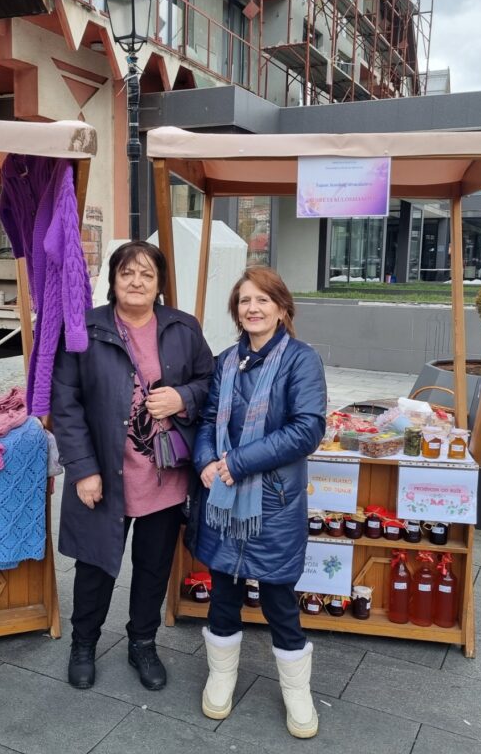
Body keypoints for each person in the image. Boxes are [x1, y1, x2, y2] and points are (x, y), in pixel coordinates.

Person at [52, 241, 213, 691]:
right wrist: (83, 469)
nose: (136, 282)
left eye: (146, 274)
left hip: (165, 476)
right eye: (127, 272)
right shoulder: (84, 330)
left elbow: (210, 382)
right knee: (94, 566)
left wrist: (183, 397)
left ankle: (142, 642)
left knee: (153, 566)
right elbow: (65, 403)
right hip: (104, 474)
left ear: (159, 283)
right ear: (112, 279)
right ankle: (84, 644)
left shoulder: (183, 328)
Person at [191, 266, 326, 739]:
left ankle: (297, 693)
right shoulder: (226, 361)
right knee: (223, 592)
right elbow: (208, 418)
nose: (253, 308)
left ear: (282, 308)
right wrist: (206, 461)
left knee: (278, 599)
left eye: (263, 300)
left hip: (274, 502)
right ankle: (221, 677)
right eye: (245, 300)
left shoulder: (301, 360)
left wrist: (238, 461)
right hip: (223, 500)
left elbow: (308, 428)